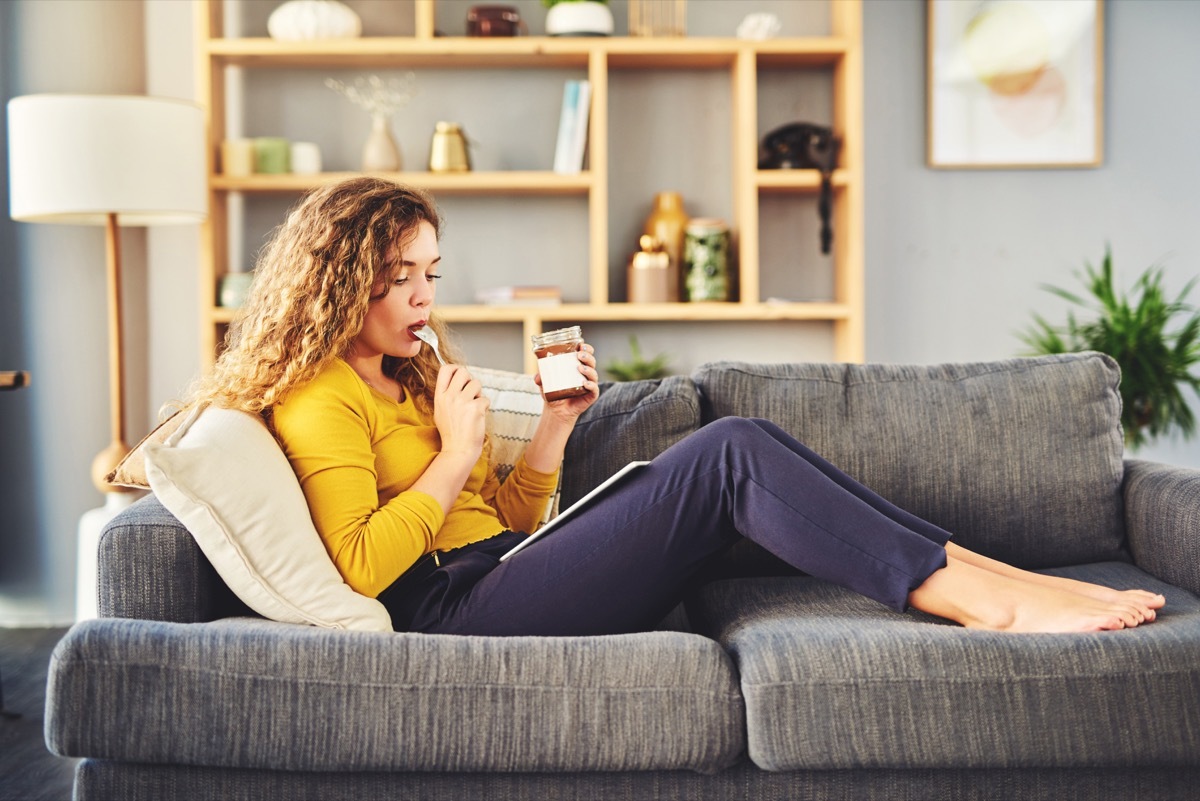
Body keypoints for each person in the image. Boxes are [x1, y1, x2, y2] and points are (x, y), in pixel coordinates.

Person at [190, 176, 1165, 636]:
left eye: (431, 274)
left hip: (502, 569)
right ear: (339, 280)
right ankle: (987, 602)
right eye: (400, 277)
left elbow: (513, 518)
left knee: (739, 447)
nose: (424, 300)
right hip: (452, 610)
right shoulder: (319, 397)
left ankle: (984, 572)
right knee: (730, 453)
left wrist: (557, 429)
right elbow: (361, 568)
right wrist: (452, 457)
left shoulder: (406, 375)